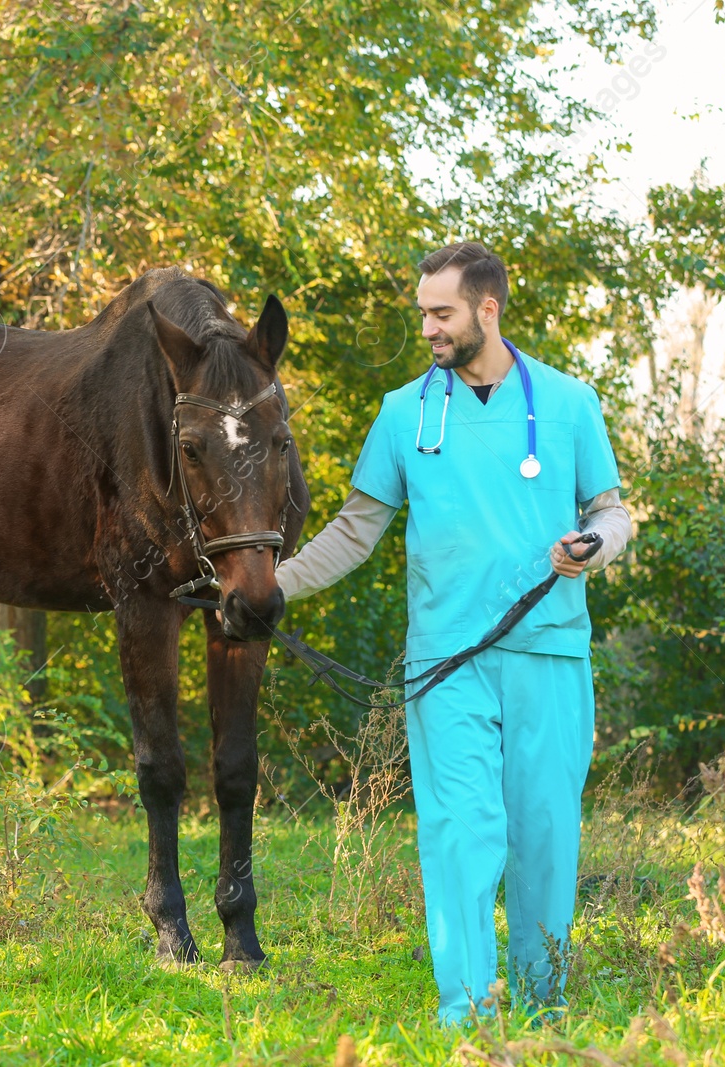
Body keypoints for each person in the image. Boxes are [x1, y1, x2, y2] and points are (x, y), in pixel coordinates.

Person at [274, 242, 632, 1023]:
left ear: (487, 309)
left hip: (550, 652)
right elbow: (355, 529)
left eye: (442, 313)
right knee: (462, 834)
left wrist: (594, 545)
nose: (429, 328)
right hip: (447, 664)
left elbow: (612, 510)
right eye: (424, 314)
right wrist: (273, 586)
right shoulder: (405, 412)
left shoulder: (570, 403)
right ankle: (467, 1016)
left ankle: (543, 1012)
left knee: (544, 838)